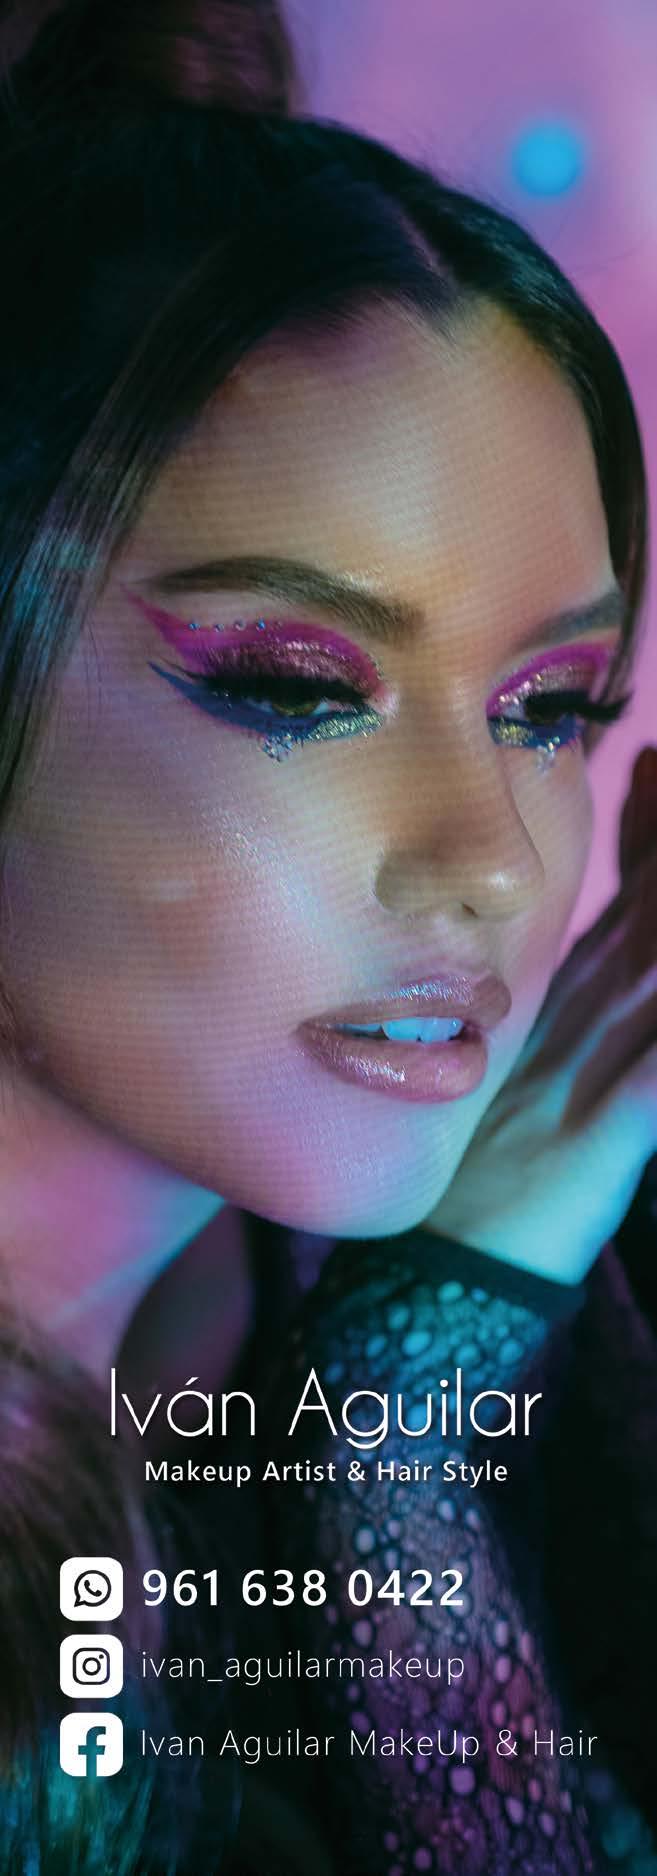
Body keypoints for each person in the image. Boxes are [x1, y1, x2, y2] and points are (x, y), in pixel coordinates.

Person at [0, 0, 655, 1869]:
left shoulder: (491, 1252)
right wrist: (401, 1413)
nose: (494, 866)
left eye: (551, 708)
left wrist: (406, 1393)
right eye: (299, 685)